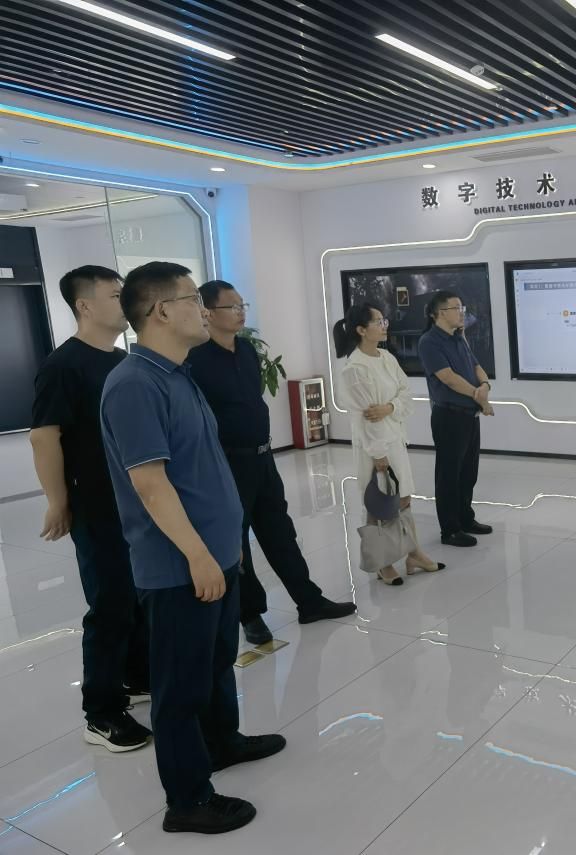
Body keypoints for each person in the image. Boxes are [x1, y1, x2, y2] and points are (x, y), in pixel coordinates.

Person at [100, 262, 285, 835]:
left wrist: (224, 548)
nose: (203, 311)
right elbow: (150, 484)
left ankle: (222, 742)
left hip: (214, 553)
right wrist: (199, 556)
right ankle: (187, 799)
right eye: (191, 300)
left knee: (215, 664)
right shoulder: (135, 385)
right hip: (179, 566)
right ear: (161, 311)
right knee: (179, 687)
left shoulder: (178, 373)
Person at [186, 280, 355, 645]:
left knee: (280, 532)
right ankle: (250, 615)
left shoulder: (246, 350)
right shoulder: (195, 360)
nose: (241, 312)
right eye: (232, 306)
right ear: (208, 313)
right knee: (238, 541)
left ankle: (308, 600)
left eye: (242, 305)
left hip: (263, 459)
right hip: (228, 465)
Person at [29, 265, 151, 754]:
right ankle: (101, 713)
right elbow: (44, 436)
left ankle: (136, 675)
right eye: (116, 295)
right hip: (96, 504)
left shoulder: (122, 360)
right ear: (84, 305)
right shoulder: (64, 365)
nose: (125, 301)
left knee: (137, 593)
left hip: (133, 499)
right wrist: (58, 501)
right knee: (110, 602)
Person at [333, 302, 444, 584]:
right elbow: (365, 418)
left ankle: (414, 553)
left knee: (404, 498)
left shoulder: (386, 357)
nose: (385, 326)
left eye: (384, 321)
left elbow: (406, 395)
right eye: (378, 322)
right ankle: (383, 562)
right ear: (361, 330)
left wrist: (390, 407)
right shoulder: (354, 368)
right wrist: (378, 454)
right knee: (379, 504)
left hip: (395, 439)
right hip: (375, 448)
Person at [417, 290, 495, 548]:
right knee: (449, 475)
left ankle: (465, 519)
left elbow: (476, 366)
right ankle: (450, 530)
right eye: (457, 308)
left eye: (462, 308)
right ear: (439, 313)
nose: (462, 313)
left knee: (468, 472)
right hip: (449, 416)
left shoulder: (459, 337)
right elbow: (448, 378)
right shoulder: (429, 342)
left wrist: (485, 385)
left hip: (469, 415)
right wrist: (478, 395)